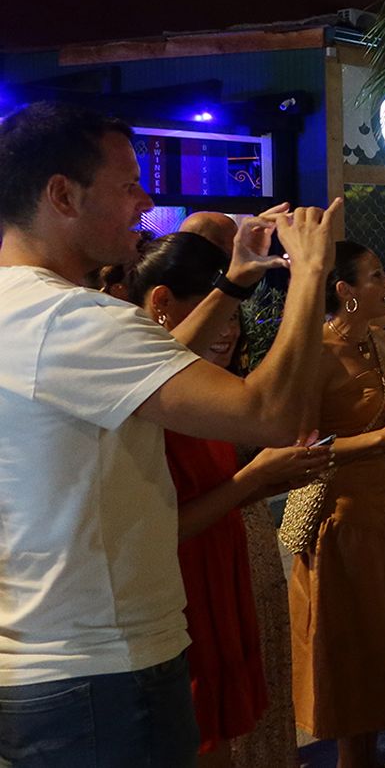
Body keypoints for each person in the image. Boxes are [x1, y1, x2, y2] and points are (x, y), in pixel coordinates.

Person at [0, 102, 340, 767]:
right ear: (62, 195)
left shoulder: (27, 315)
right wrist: (311, 273)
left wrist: (234, 283)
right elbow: (268, 414)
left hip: (41, 669)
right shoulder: (77, 321)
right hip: (107, 675)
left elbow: (142, 376)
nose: (146, 198)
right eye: (128, 183)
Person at [128, 234, 334, 768]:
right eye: (214, 305)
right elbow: (163, 527)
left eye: (233, 310)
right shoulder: (150, 396)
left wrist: (268, 477)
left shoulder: (200, 383)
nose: (228, 328)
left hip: (222, 569)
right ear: (161, 306)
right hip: (180, 592)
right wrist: (309, 276)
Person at [292, 242, 385, 768]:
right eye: (378, 276)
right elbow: (299, 448)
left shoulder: (376, 341)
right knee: (353, 677)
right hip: (344, 526)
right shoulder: (315, 354)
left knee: (381, 668)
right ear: (345, 292)